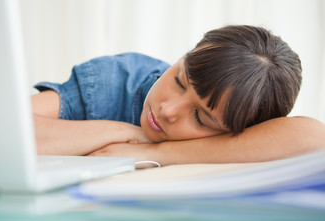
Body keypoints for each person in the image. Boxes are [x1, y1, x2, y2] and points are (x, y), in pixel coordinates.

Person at [32, 25, 325, 168]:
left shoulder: (245, 138)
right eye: (179, 80)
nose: (168, 110)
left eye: (200, 117)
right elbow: (7, 126)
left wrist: (155, 152)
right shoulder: (116, 79)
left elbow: (314, 138)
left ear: (242, 131)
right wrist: (126, 133)